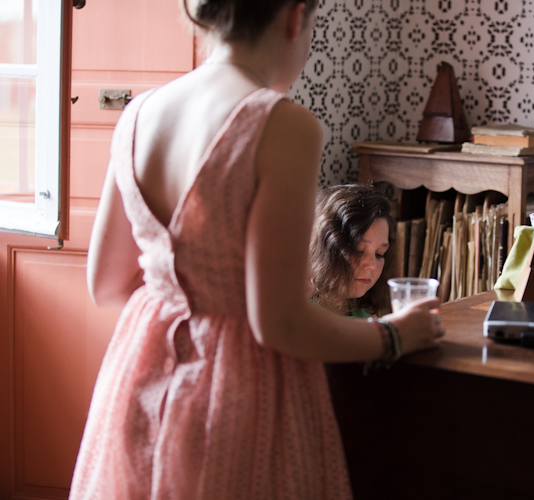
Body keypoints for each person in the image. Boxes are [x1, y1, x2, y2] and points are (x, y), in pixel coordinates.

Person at [71, 1, 444, 498]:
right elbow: (279, 322)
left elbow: (106, 284)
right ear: (294, 16)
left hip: (138, 382)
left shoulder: (139, 114)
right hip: (237, 400)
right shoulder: (282, 126)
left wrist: (187, 303)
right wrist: (393, 336)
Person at [309, 184, 395, 319]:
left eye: (379, 254)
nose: (371, 264)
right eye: (359, 251)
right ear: (325, 250)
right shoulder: (302, 314)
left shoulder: (361, 312)